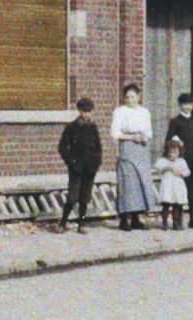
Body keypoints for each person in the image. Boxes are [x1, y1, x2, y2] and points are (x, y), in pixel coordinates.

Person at [111, 83, 157, 230]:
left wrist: (144, 138)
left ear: (139, 96)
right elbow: (115, 133)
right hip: (127, 146)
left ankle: (136, 218)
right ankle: (124, 219)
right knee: (127, 183)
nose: (130, 100)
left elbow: (149, 132)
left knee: (140, 182)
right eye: (127, 97)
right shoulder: (120, 112)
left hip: (141, 149)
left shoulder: (145, 112)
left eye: (133, 96)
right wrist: (131, 138)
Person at [57, 97, 102, 232]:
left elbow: (98, 147)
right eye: (84, 111)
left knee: (85, 197)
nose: (86, 114)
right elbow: (63, 147)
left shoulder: (93, 128)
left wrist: (96, 162)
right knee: (73, 196)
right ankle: (62, 223)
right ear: (79, 111)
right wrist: (71, 162)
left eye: (89, 111)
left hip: (90, 168)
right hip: (76, 168)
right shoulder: (71, 128)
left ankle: (81, 224)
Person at [166, 91, 193, 229]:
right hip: (180, 162)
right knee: (179, 189)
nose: (187, 107)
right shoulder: (176, 122)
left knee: (192, 189)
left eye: (190, 104)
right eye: (185, 104)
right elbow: (169, 141)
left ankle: (192, 218)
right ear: (180, 105)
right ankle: (177, 219)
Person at [153, 135, 192, 229]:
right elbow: (157, 169)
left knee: (177, 205)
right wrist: (167, 168)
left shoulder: (181, 161)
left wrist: (181, 172)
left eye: (175, 152)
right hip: (167, 185)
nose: (173, 154)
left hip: (177, 186)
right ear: (167, 152)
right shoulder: (163, 161)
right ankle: (165, 222)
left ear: (179, 152)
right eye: (171, 152)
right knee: (166, 204)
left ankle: (176, 222)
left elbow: (187, 172)